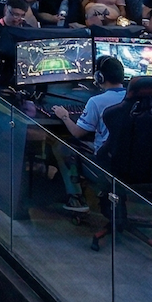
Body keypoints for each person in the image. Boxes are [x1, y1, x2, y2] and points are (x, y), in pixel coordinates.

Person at [51, 55, 127, 213]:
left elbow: (77, 133)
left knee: (61, 146)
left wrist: (64, 116)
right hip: (133, 162)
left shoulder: (97, 101)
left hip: (106, 162)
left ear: (100, 77)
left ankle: (76, 199)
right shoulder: (134, 99)